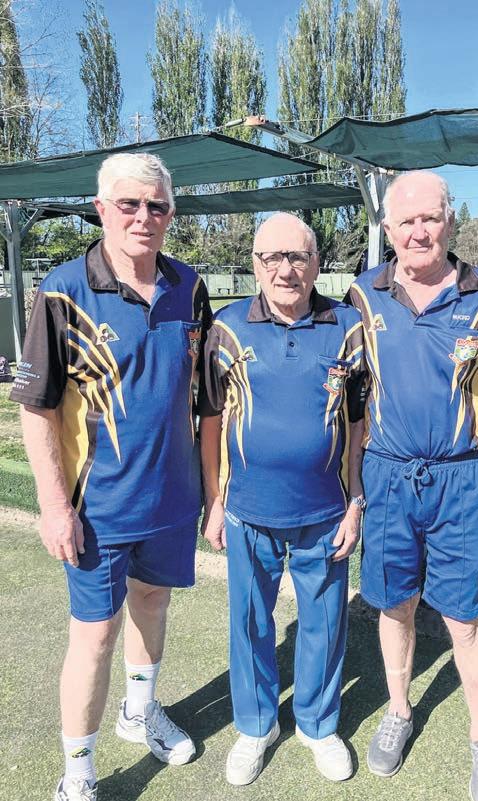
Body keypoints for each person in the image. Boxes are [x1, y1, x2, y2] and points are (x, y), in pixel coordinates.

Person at [10, 153, 212, 801]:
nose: (143, 216)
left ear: (170, 214)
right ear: (101, 209)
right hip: (97, 508)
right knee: (95, 635)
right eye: (129, 203)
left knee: (153, 603)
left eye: (157, 205)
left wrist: (211, 493)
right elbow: (36, 408)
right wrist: (53, 506)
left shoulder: (190, 286)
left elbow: (204, 398)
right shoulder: (63, 290)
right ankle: (78, 771)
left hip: (173, 500)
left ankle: (138, 712)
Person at [347, 171, 478, 801]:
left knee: (464, 615)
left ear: (451, 220)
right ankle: (398, 710)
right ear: (388, 229)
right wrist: (351, 485)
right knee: (393, 604)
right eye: (407, 221)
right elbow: (350, 398)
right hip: (387, 475)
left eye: (431, 217)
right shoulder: (363, 294)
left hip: (460, 478)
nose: (419, 231)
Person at [200, 213, 365, 786]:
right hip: (248, 508)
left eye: (296, 256)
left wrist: (356, 503)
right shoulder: (227, 328)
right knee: (250, 621)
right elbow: (210, 420)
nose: (284, 269)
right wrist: (213, 500)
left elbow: (360, 425)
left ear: (316, 263)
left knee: (324, 621)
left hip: (326, 510)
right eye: (271, 257)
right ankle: (256, 725)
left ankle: (318, 725)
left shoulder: (347, 327)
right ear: (255, 265)